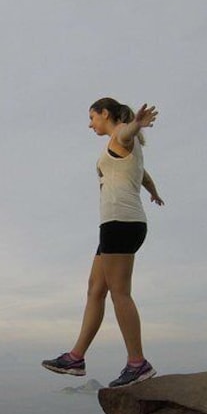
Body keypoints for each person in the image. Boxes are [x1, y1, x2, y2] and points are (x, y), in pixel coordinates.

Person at [42, 97, 164, 388]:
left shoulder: (121, 135)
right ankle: (76, 357)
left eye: (92, 117)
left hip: (121, 223)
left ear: (105, 113)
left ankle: (138, 363)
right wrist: (154, 193)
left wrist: (135, 124)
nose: (90, 123)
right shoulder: (119, 147)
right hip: (115, 224)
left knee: (119, 292)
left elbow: (125, 133)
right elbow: (143, 174)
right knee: (95, 289)